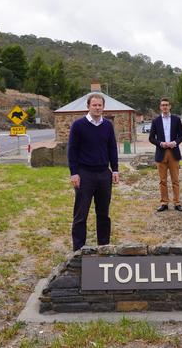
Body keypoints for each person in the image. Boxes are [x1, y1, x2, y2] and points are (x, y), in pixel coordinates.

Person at [67, 93, 120, 251]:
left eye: (100, 105)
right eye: (94, 105)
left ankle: (103, 247)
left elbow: (112, 148)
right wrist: (74, 172)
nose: (97, 108)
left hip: (104, 174)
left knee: (103, 213)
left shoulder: (108, 125)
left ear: (103, 107)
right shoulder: (78, 125)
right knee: (80, 214)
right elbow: (72, 150)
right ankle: (78, 249)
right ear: (88, 106)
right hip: (85, 174)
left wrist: (115, 169)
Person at [149, 98, 182, 212]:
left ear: (170, 106)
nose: (164, 107)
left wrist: (175, 142)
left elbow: (181, 136)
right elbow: (151, 138)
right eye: (162, 105)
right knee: (162, 181)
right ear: (160, 107)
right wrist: (160, 143)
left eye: (166, 105)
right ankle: (164, 203)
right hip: (161, 153)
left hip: (173, 152)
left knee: (175, 180)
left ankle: (177, 203)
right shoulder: (156, 121)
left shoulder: (176, 120)